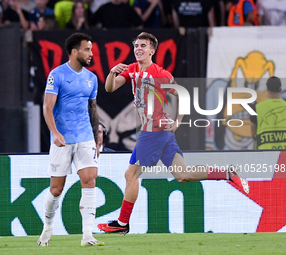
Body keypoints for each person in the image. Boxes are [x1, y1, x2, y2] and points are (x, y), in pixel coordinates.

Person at [97, 32, 249, 235]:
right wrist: (111, 73)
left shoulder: (160, 74)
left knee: (131, 174)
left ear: (152, 50)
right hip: (161, 134)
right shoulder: (131, 69)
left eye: (143, 45)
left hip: (153, 132)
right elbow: (110, 88)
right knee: (183, 175)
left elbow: (183, 94)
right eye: (136, 45)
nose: (138, 49)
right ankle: (228, 173)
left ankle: (122, 224)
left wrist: (178, 121)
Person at [37, 32, 104, 247]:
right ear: (74, 51)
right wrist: (55, 133)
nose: (91, 54)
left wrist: (97, 136)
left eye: (91, 49)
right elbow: (47, 107)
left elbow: (92, 109)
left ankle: (87, 235)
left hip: (85, 137)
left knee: (90, 179)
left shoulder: (91, 78)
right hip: (62, 139)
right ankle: (47, 228)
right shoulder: (56, 75)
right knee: (56, 189)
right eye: (87, 49)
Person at [250, 76, 286, 150]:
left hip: (265, 153)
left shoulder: (257, 107)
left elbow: (253, 130)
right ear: (280, 89)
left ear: (267, 90)